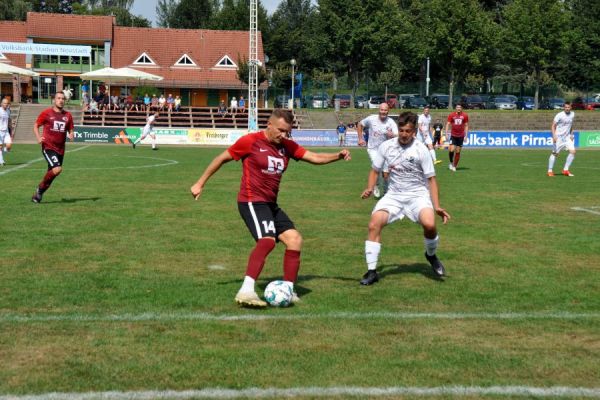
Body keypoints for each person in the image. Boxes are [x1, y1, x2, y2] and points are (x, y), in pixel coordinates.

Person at [190, 109, 351, 308]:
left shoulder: (287, 146)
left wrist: (338, 155)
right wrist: (200, 183)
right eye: (281, 130)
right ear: (269, 125)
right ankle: (246, 290)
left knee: (295, 240)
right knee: (267, 241)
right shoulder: (250, 141)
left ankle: (288, 291)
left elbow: (314, 157)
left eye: (287, 132)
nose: (284, 135)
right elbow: (221, 158)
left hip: (270, 204)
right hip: (251, 201)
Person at [359, 112, 450, 285]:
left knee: (430, 225)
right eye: (401, 130)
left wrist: (437, 206)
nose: (404, 134)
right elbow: (374, 170)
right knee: (374, 224)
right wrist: (370, 188)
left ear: (414, 131)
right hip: (394, 195)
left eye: (408, 131)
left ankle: (430, 255)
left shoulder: (421, 149)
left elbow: (431, 180)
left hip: (418, 196)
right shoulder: (386, 146)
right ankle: (372, 271)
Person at [31, 92, 75, 203]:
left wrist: (71, 133)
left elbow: (70, 128)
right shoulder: (46, 113)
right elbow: (36, 125)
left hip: (61, 149)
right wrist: (38, 137)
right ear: (54, 100)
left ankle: (38, 193)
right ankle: (39, 190)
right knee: (57, 169)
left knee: (52, 174)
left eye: (63, 98)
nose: (61, 100)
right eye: (58, 98)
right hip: (48, 147)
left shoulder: (68, 115)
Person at [356, 103, 398, 198]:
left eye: (385, 110)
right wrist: (360, 138)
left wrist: (393, 135)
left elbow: (397, 134)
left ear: (388, 111)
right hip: (373, 149)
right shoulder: (371, 119)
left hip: (387, 151)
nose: (383, 112)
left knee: (386, 174)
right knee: (377, 168)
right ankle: (376, 185)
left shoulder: (391, 122)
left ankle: (386, 192)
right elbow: (360, 124)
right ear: (379, 110)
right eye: (382, 110)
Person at [548, 101, 575, 177]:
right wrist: (554, 135)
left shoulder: (572, 114)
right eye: (565, 107)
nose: (567, 108)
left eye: (568, 107)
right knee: (555, 154)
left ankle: (565, 170)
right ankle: (550, 170)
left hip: (567, 137)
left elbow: (571, 125)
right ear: (564, 107)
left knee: (573, 152)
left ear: (571, 107)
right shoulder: (559, 115)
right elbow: (553, 126)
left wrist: (572, 134)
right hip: (559, 137)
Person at [445, 103, 469, 172]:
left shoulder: (465, 115)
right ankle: (451, 162)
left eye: (460, 107)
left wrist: (466, 135)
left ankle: (454, 166)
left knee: (458, 151)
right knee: (451, 150)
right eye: (457, 107)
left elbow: (466, 125)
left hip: (461, 136)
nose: (458, 108)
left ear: (461, 108)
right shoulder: (451, 115)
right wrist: (446, 134)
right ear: (456, 108)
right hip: (453, 135)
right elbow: (448, 124)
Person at [0, 98, 13, 166]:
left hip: (6, 131)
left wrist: (11, 130)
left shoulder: (8, 110)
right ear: (1, 103)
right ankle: (1, 161)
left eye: (7, 103)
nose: (6, 104)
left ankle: (3, 151)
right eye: (4, 103)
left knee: (9, 146)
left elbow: (9, 120)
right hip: (0, 131)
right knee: (0, 146)